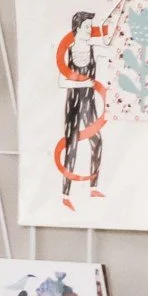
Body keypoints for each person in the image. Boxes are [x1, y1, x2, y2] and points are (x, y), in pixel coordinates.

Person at [53, 10, 107, 206]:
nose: (90, 30)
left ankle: (93, 187)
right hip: (74, 103)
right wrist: (83, 84)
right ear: (77, 29)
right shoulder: (68, 52)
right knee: (71, 145)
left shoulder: (94, 49)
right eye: (86, 27)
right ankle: (65, 194)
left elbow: (111, 49)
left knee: (97, 141)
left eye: (90, 27)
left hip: (89, 103)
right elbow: (62, 81)